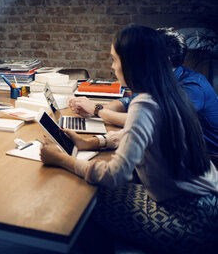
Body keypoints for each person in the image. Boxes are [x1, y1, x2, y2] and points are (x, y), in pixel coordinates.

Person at [40, 25, 218, 253]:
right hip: (207, 208)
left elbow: (115, 175)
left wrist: (61, 160)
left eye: (115, 59)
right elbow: (139, 134)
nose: (112, 66)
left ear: (134, 63)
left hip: (188, 221)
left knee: (83, 204)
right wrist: (94, 142)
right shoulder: (168, 93)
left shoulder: (145, 104)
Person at [68, 27, 218, 157]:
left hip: (205, 157)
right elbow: (128, 102)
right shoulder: (154, 76)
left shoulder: (193, 88)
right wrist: (95, 108)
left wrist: (97, 110)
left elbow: (148, 120)